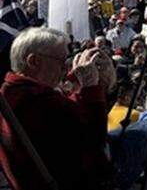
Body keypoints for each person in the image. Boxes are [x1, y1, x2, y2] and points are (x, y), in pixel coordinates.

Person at [0, 27, 113, 190]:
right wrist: (90, 86)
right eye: (61, 62)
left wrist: (79, 85)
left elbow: (64, 119)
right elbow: (95, 139)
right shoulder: (36, 100)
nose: (66, 69)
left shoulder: (10, 91)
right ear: (34, 61)